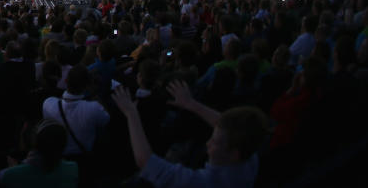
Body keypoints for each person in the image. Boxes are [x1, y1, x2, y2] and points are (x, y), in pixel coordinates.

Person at [112, 80, 268, 188]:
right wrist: (191, 104)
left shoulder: (201, 183)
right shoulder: (249, 158)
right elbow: (226, 124)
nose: (208, 143)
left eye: (215, 142)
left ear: (234, 154)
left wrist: (131, 113)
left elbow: (145, 160)